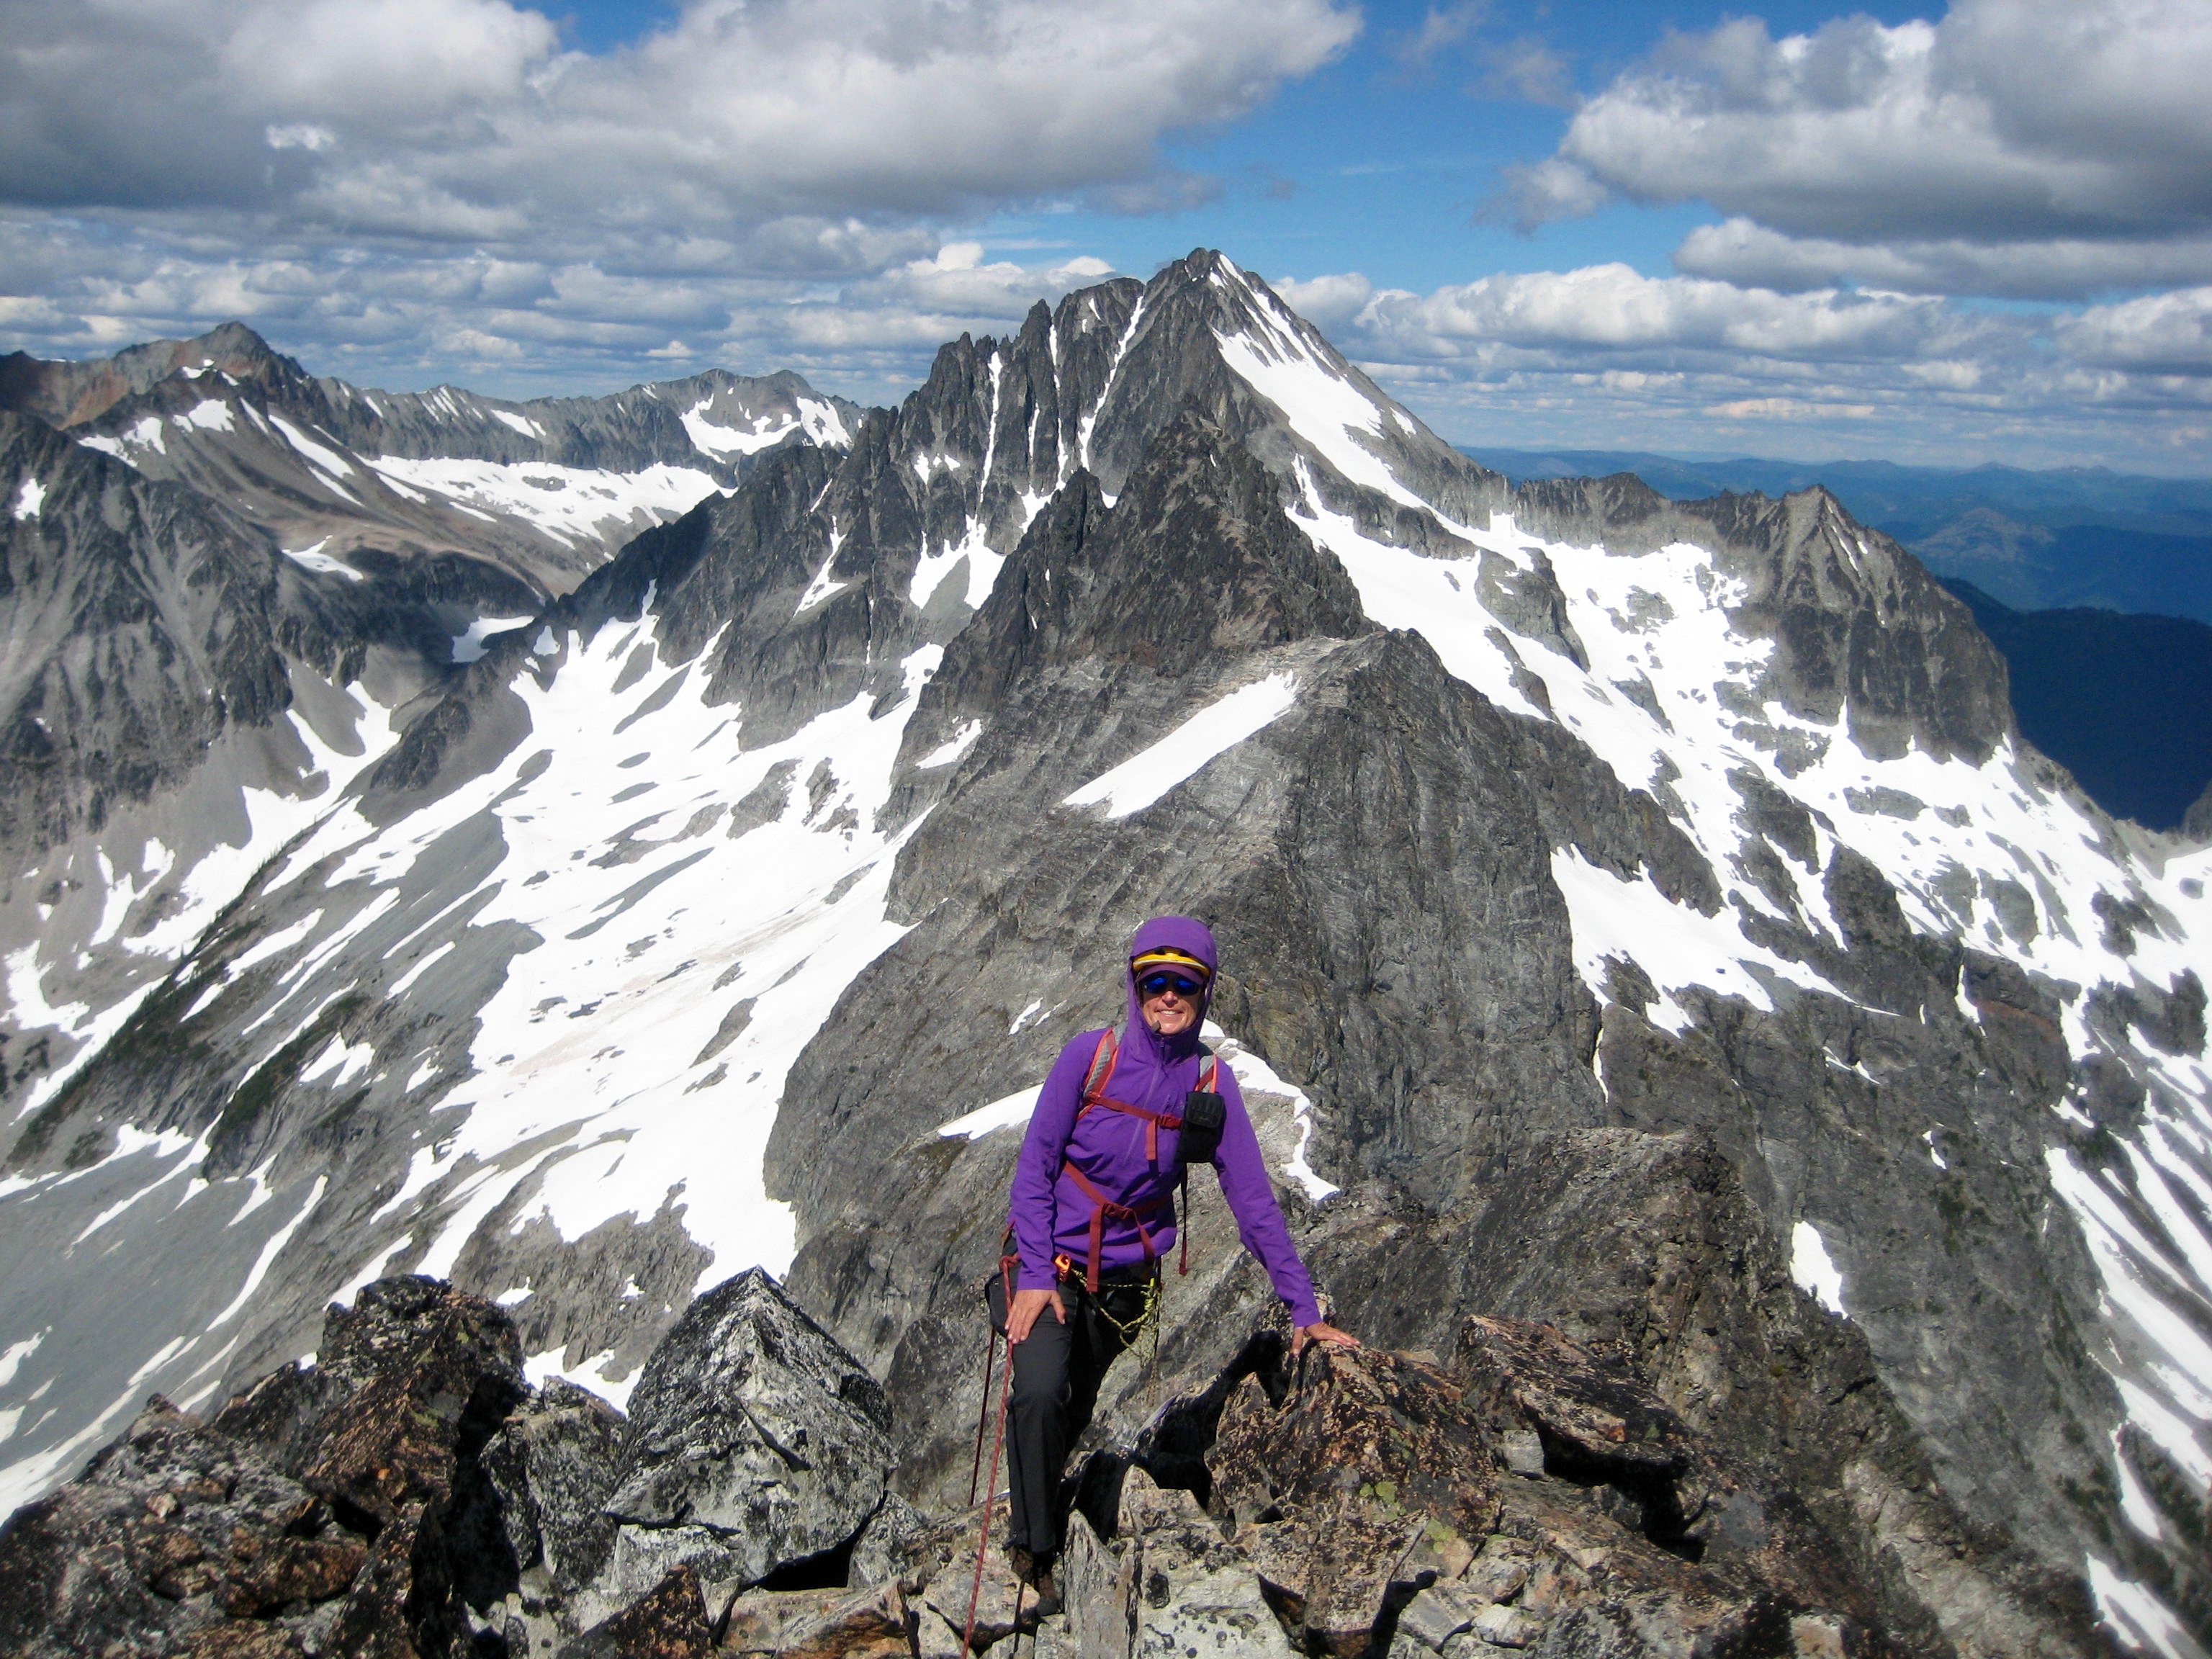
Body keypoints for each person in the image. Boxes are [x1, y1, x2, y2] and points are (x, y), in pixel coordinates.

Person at [999, 914, 1357, 1611]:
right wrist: (1037, 1275)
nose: (1168, 996)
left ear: (1206, 992)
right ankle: (1033, 1554)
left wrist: (1304, 1312)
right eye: (1155, 981)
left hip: (1126, 1287)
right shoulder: (1088, 1058)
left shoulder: (1209, 1087)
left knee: (1068, 1408)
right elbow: (1035, 1169)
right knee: (1038, 1391)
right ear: (1136, 987)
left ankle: (1041, 1508)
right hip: (1053, 1265)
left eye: (1184, 984)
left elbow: (1255, 1206)